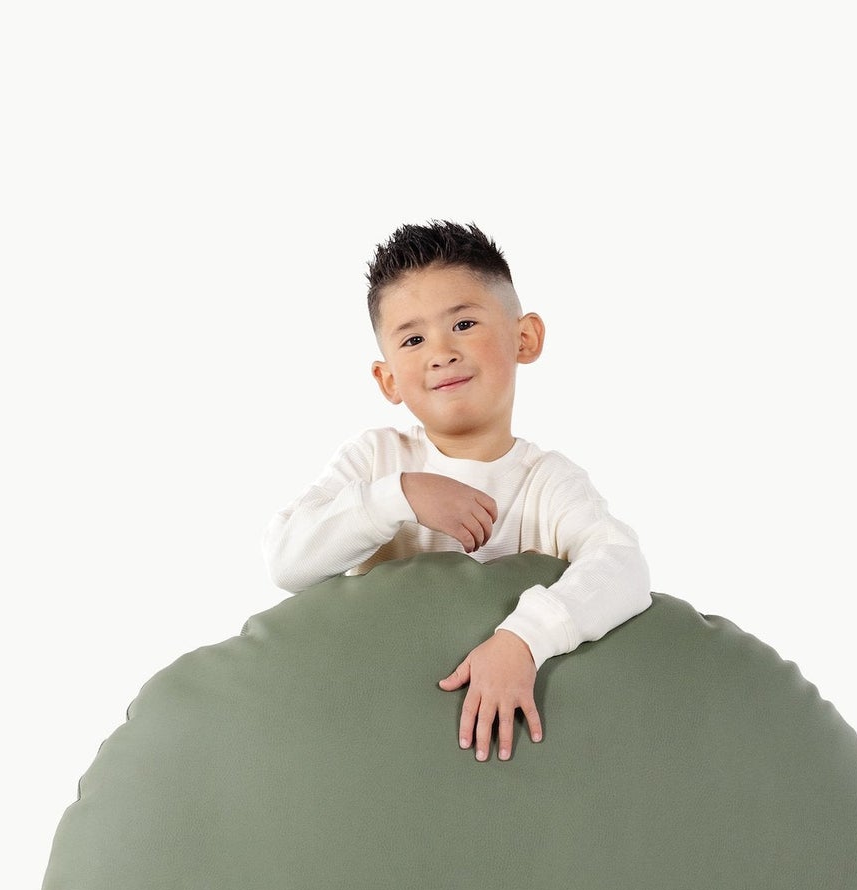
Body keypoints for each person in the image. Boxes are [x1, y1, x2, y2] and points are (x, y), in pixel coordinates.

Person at [262, 219, 654, 762]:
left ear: (525, 337)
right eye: (414, 339)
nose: (440, 352)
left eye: (464, 323)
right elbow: (286, 561)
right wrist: (397, 497)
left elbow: (624, 566)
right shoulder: (377, 460)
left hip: (504, 750)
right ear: (388, 380)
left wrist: (524, 639)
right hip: (375, 734)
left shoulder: (548, 483)